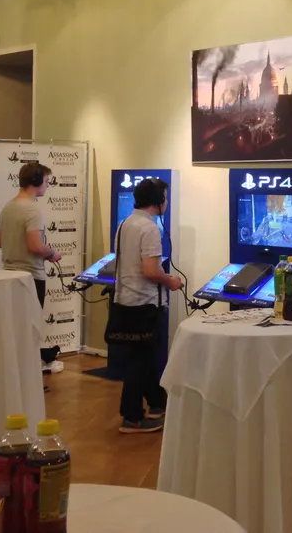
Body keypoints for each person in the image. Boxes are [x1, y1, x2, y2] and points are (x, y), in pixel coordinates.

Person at [114, 178, 183, 434]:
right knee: (140, 362)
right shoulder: (150, 229)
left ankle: (157, 403)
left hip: (126, 300)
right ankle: (131, 417)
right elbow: (151, 271)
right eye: (165, 197)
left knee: (144, 357)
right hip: (144, 302)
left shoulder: (125, 224)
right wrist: (171, 281)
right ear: (158, 201)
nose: (167, 202)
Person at [0, 162, 61, 373]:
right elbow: (35, 245)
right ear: (36, 181)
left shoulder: (8, 207)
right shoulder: (33, 210)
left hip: (9, 276)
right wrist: (52, 254)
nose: (47, 185)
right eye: (46, 181)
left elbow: (0, 242)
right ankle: (29, 379)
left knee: (16, 330)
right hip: (30, 278)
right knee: (30, 331)